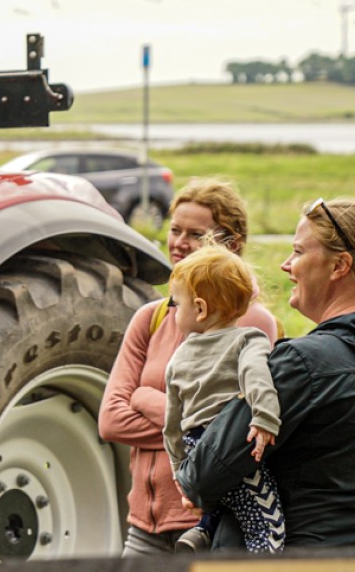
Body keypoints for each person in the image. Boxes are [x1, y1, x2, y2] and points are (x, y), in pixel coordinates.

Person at [98, 178, 279, 556]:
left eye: (195, 234)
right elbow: (111, 421)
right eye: (175, 229)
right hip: (143, 526)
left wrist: (144, 399)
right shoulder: (150, 317)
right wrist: (195, 427)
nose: (179, 242)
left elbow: (234, 429)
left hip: (207, 524)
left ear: (230, 245)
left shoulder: (250, 323)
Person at [178, 197, 355, 549]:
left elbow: (203, 473)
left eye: (298, 251)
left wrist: (188, 475)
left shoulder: (301, 365)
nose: (286, 265)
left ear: (339, 265)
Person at [163, 244, 283, 553]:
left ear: (200, 309)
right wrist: (265, 417)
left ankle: (203, 530)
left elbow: (171, 424)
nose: (173, 311)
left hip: (195, 447)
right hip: (232, 445)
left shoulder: (178, 357)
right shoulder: (248, 338)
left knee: (224, 498)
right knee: (266, 523)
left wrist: (181, 472)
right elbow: (256, 375)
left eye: (176, 303)